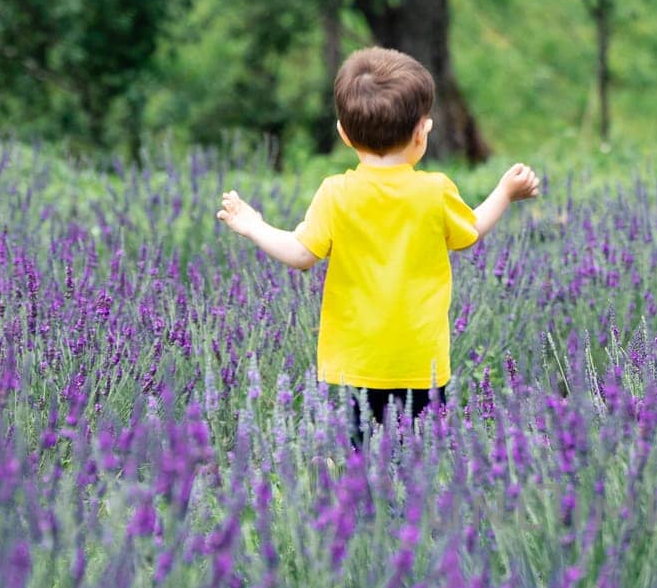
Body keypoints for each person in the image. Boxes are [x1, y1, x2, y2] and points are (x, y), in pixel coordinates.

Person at [216, 47, 540, 448]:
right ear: (422, 132)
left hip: (353, 365)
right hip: (423, 363)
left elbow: (301, 255)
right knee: (420, 461)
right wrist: (505, 193)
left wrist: (254, 225)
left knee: (360, 461)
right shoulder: (434, 191)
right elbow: (470, 231)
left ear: (344, 134)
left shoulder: (336, 194)